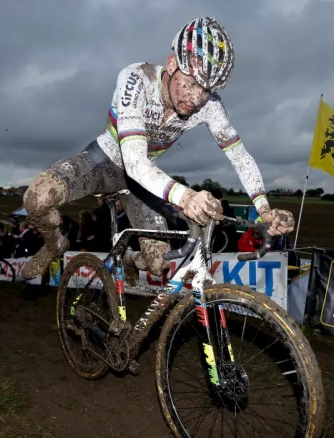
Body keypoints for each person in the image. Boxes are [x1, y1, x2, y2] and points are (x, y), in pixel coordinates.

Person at [20, 17, 295, 283]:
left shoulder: (210, 105)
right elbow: (134, 161)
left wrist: (264, 209)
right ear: (172, 63)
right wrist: (185, 197)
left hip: (143, 182)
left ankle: (128, 258)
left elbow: (239, 156)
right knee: (37, 198)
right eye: (192, 84)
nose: (196, 99)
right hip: (105, 161)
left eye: (206, 90)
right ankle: (54, 243)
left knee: (159, 264)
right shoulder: (136, 79)